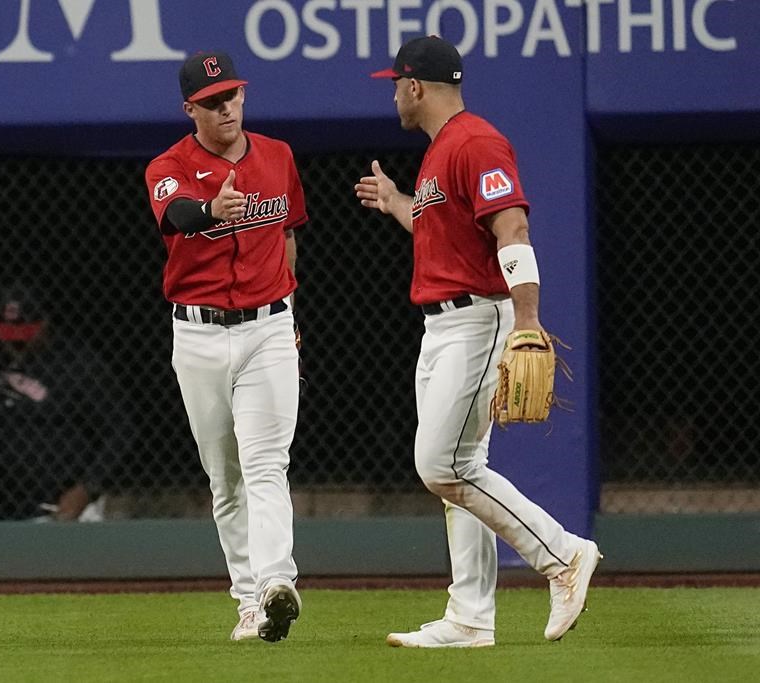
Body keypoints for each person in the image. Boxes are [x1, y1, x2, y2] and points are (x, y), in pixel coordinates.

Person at [355, 36, 601, 648]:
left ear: (415, 87)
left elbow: (511, 226)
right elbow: (442, 234)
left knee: (442, 466)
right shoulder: (440, 153)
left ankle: (563, 555)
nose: (393, 93)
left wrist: (527, 321)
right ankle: (470, 617)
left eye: (396, 83)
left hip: (480, 320)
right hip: (440, 325)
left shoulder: (475, 141)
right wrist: (396, 204)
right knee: (462, 470)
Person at [143, 51, 307, 643]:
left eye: (232, 95)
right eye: (213, 101)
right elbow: (178, 213)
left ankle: (275, 585)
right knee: (225, 476)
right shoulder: (170, 164)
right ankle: (248, 600)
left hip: (267, 329)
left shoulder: (279, 156)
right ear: (191, 109)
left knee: (267, 463)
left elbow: (287, 235)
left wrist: (289, 311)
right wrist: (211, 210)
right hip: (199, 334)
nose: (226, 106)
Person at [0, 286, 128, 522]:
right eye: (8, 336)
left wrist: (87, 488)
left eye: (23, 337)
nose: (14, 345)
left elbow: (122, 430)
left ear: (44, 324)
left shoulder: (77, 364)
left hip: (61, 509)